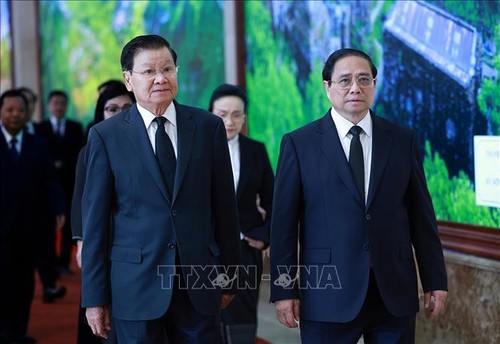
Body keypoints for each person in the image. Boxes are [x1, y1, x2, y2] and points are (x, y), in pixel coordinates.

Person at [270, 48, 448, 343]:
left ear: (375, 84)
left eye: (364, 79)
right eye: (345, 80)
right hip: (327, 293)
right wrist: (283, 290)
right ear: (328, 87)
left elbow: (422, 218)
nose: (355, 87)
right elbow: (284, 227)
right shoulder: (299, 144)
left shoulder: (403, 141)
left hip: (392, 291)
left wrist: (435, 279)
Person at [81, 34, 241, 343]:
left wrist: (232, 276)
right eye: (149, 71)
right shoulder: (106, 136)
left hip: (200, 282)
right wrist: (94, 297)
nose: (160, 79)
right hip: (135, 285)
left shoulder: (208, 127)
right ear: (128, 79)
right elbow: (96, 224)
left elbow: (225, 208)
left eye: (167, 69)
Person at [208, 84, 274, 342]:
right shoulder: (194, 149)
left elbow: (274, 200)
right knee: (203, 318)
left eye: (237, 114)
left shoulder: (255, 150)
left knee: (242, 319)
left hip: (245, 249)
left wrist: (264, 234)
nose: (229, 121)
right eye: (222, 114)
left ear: (244, 117)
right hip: (205, 248)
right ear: (210, 113)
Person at [0, 89, 65, 344]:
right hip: (1, 229)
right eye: (9, 109)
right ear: (1, 112)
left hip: (31, 227)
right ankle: (3, 331)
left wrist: (59, 208)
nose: (15, 114)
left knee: (25, 282)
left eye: (20, 110)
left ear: (28, 114)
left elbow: (51, 181)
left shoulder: (38, 145)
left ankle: (19, 331)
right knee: (2, 281)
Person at [71, 82, 134, 344]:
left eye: (126, 108)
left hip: (134, 241)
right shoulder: (90, 149)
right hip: (101, 240)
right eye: (112, 109)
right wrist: (82, 242)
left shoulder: (149, 146)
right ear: (101, 113)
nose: (119, 113)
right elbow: (80, 200)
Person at [17, 86, 68, 304]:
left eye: (28, 103)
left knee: (45, 248)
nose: (24, 108)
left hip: (40, 206)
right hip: (12, 208)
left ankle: (49, 285)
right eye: (21, 103)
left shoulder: (38, 135)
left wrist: (57, 207)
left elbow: (49, 177)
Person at [38, 90, 84, 276]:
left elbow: (78, 153)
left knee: (68, 227)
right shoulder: (40, 127)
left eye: (62, 103)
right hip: (47, 186)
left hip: (69, 183)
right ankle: (49, 265)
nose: (58, 106)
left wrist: (63, 163)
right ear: (49, 106)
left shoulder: (75, 127)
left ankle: (64, 263)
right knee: (48, 226)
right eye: (55, 103)